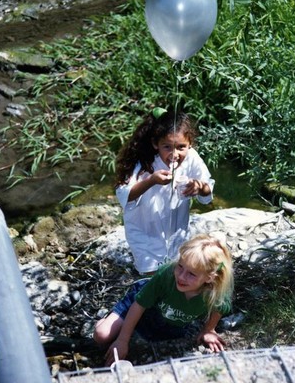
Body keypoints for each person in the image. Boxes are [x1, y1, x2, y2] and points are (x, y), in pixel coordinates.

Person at [94, 234, 233, 366]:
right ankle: (106, 321)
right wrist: (122, 340)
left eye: (191, 274)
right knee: (102, 336)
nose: (181, 277)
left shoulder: (215, 292)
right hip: (143, 303)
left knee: (157, 339)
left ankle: (132, 328)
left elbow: (220, 308)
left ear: (210, 278)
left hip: (168, 318)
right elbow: (139, 305)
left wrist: (208, 329)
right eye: (180, 266)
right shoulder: (166, 275)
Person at [115, 109, 215, 275]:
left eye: (181, 147)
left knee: (173, 276)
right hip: (144, 233)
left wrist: (199, 187)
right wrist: (151, 181)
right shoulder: (144, 161)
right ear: (156, 144)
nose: (174, 155)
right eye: (167, 147)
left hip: (177, 233)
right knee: (152, 278)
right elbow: (123, 194)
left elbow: (208, 189)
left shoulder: (192, 158)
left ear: (190, 144)